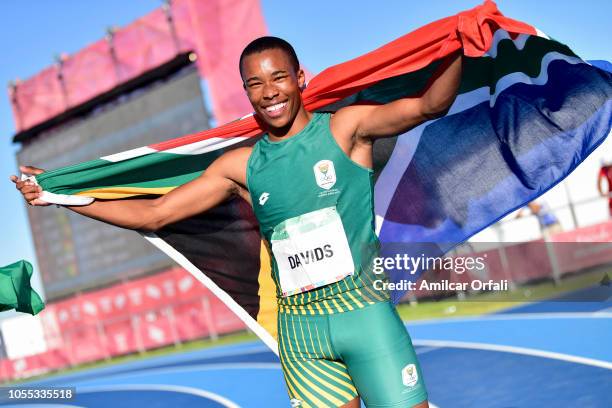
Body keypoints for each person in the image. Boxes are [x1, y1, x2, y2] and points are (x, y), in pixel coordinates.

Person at [12, 36, 462, 408]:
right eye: (255, 84)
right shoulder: (241, 167)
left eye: (279, 77)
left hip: (365, 318)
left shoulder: (346, 129)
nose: (269, 92)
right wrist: (60, 195)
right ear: (246, 92)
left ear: (299, 79)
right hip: (302, 337)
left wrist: (460, 41)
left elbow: (428, 106)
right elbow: (155, 213)